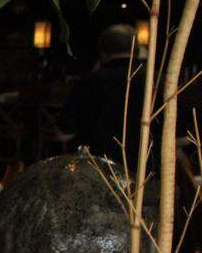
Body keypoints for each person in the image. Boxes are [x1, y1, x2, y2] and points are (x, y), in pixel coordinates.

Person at [62, 24, 145, 166]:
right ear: (137, 49)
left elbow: (64, 133)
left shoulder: (89, 82)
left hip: (97, 172)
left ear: (102, 52)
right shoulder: (156, 81)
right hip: (150, 172)